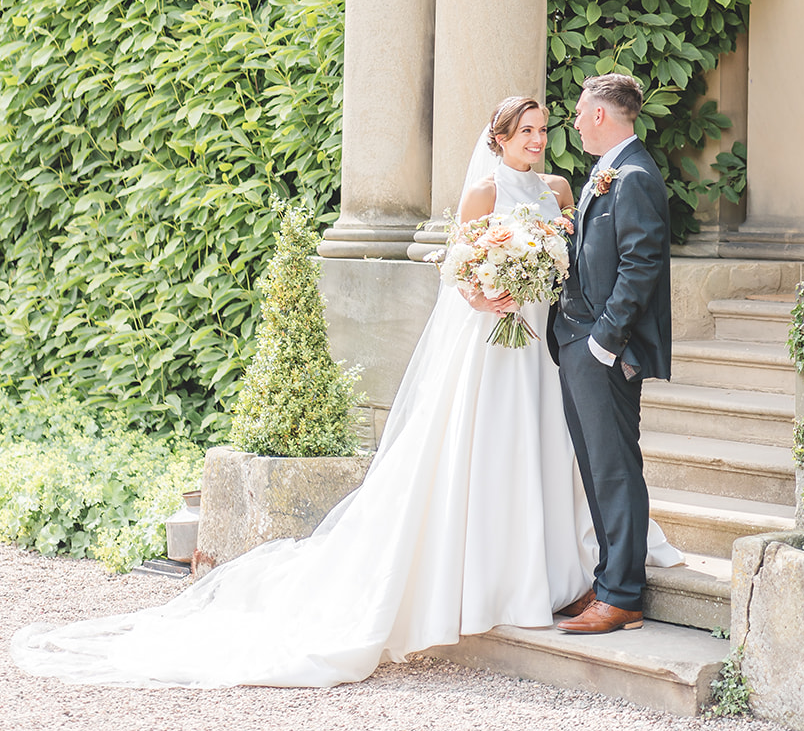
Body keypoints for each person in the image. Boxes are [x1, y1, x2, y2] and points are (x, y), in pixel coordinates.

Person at [11, 94, 679, 688]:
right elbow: (459, 266)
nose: (536, 140)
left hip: (548, 342)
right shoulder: (483, 192)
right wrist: (485, 295)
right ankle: (491, 578)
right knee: (487, 448)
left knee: (549, 451)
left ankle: (557, 572)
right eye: (525, 132)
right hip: (492, 343)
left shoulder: (563, 189)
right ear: (499, 139)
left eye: (540, 129)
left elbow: (577, 261)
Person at [552, 72, 672, 635]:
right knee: (597, 468)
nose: (574, 122)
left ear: (601, 114)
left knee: (616, 469)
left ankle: (622, 594)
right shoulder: (606, 173)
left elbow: (641, 265)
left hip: (602, 349)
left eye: (580, 111)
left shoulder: (635, 176)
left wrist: (604, 340)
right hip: (575, 341)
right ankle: (608, 583)